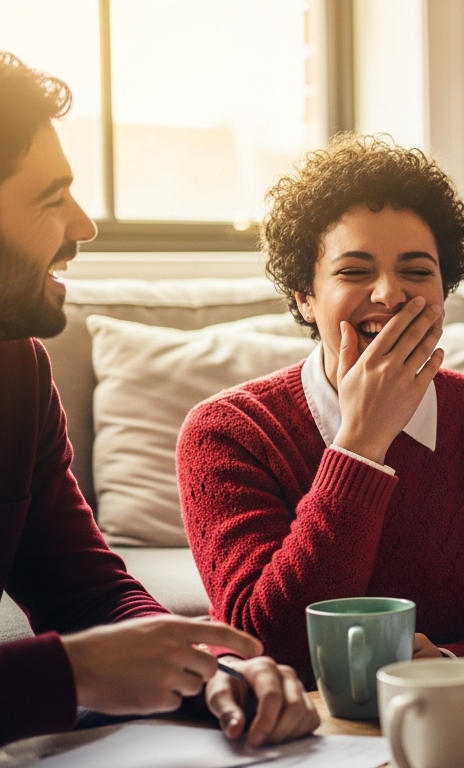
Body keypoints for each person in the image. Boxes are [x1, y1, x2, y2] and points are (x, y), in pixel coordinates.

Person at [0, 52, 317, 746]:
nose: (83, 226)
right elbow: (82, 658)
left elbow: (86, 591)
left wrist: (214, 670)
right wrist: (73, 673)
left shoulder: (17, 371)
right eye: (51, 200)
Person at [177, 135, 464, 684]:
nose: (389, 294)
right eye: (354, 272)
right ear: (305, 296)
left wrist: (447, 664)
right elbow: (266, 643)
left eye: (417, 271)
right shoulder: (228, 432)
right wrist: (360, 445)